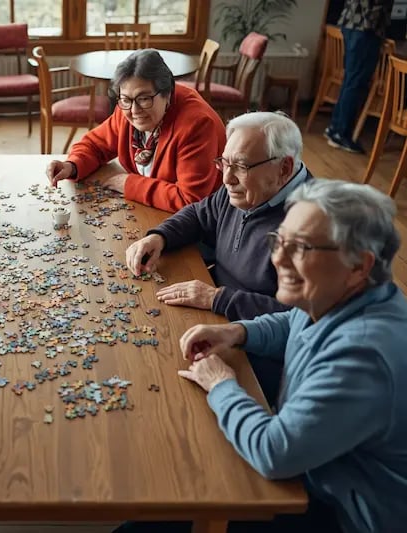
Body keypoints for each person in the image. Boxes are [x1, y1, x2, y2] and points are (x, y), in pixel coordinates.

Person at [122, 180, 407, 532]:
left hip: (340, 513)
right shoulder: (341, 296)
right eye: (279, 240)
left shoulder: (363, 356)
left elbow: (275, 454)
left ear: (358, 266)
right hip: (313, 467)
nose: (278, 259)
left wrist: (223, 385)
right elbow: (295, 321)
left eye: (301, 248)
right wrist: (238, 331)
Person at [125, 111, 311, 322]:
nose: (227, 179)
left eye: (241, 166)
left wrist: (218, 299)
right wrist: (159, 236)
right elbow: (198, 214)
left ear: (284, 168)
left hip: (249, 335)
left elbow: (303, 319)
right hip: (212, 303)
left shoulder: (314, 227)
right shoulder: (246, 190)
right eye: (224, 163)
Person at [46, 49, 225, 212]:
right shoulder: (127, 107)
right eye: (125, 99)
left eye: (144, 98)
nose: (134, 111)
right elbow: (95, 145)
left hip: (202, 222)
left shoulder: (197, 125)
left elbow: (190, 200)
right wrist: (71, 166)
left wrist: (129, 184)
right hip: (153, 209)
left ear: (168, 94)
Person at [325, 0, 393, 153]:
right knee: (355, 83)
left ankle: (335, 128)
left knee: (350, 81)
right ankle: (342, 133)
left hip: (352, 24)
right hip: (365, 29)